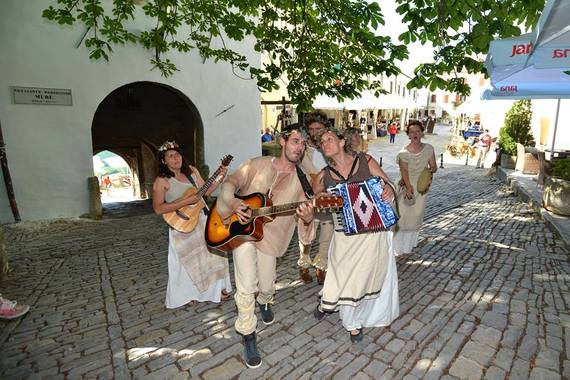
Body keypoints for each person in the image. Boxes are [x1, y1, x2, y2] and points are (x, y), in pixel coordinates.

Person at [216, 124, 315, 368]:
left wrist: (307, 216)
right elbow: (231, 182)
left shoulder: (302, 180)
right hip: (242, 233)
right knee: (247, 284)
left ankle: (266, 299)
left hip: (271, 238)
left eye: (303, 144)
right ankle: (248, 332)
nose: (299, 147)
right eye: (295, 141)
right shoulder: (257, 164)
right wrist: (232, 202)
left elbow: (306, 214)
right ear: (282, 142)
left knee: (267, 284)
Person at [312, 128, 399, 343]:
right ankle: (329, 300)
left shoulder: (365, 161)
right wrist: (319, 199)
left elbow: (388, 183)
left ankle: (352, 323)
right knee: (342, 274)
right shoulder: (323, 176)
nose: (325, 144)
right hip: (344, 234)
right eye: (322, 142)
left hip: (372, 233)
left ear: (342, 142)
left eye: (329, 139)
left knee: (361, 278)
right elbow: (315, 201)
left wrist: (389, 190)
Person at [152, 141, 232, 309]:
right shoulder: (162, 181)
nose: (176, 159)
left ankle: (218, 290)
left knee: (215, 254)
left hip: (202, 219)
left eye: (178, 155)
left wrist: (220, 177)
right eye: (171, 156)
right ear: (163, 161)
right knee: (188, 262)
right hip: (182, 223)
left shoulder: (192, 172)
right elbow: (158, 208)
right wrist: (185, 201)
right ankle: (189, 294)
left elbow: (206, 191)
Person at [298, 112, 334, 285]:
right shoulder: (302, 149)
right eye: (311, 129)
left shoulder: (331, 147)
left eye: (318, 128)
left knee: (327, 233)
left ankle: (321, 266)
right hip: (308, 196)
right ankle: (304, 264)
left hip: (328, 197)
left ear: (325, 128)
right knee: (306, 234)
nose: (314, 132)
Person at [392, 120, 437, 256]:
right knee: (402, 216)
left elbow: (433, 166)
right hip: (406, 185)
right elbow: (404, 171)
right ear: (408, 135)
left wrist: (429, 172)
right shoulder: (403, 152)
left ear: (422, 133)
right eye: (412, 132)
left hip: (421, 187)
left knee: (416, 216)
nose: (415, 134)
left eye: (418, 131)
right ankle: (397, 248)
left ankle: (408, 246)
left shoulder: (429, 148)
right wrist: (409, 187)